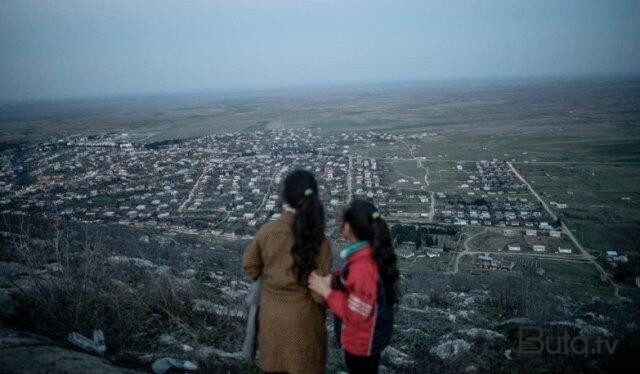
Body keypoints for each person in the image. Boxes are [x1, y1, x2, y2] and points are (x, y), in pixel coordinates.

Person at [243, 169, 332, 374]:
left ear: (284, 197)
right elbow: (319, 295)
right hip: (305, 324)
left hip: (272, 321)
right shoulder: (320, 240)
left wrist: (273, 279)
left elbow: (250, 264)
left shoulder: (268, 232)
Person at [308, 200, 399, 374]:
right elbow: (356, 283)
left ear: (349, 227)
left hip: (363, 342)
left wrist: (326, 291)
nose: (338, 222)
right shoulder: (370, 252)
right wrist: (334, 278)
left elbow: (356, 313)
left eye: (342, 219)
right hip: (372, 336)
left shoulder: (363, 266)